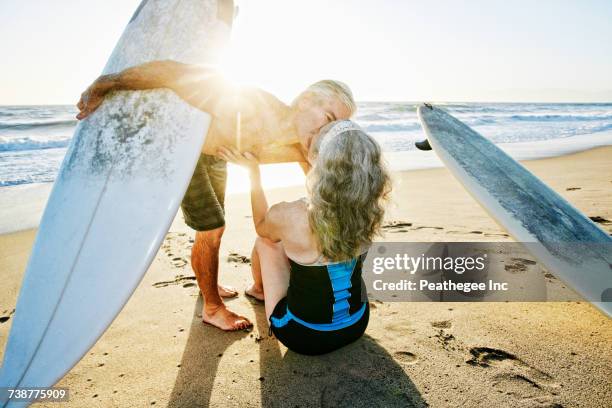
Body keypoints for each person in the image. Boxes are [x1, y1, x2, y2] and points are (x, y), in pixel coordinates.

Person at [76, 60, 356, 331]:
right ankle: (212, 308)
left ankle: (207, 283)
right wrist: (108, 82)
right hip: (184, 150)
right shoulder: (254, 106)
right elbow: (176, 73)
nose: (326, 130)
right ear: (306, 100)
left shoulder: (301, 147)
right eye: (328, 118)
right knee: (213, 227)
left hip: (215, 157)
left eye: (335, 126)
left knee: (212, 231)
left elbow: (325, 196)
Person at [218, 120, 391, 355]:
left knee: (267, 242)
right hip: (357, 324)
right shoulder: (370, 209)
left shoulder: (290, 215)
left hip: (304, 335)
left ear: (319, 161)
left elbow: (261, 227)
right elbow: (329, 199)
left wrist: (253, 173)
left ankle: (258, 289)